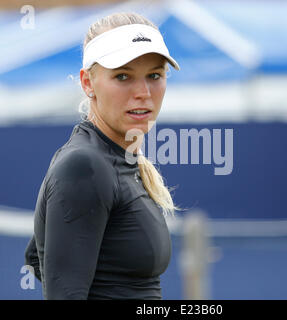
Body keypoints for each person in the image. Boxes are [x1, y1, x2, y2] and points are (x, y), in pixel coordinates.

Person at [24, 12, 181, 299]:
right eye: (123, 76)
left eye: (154, 76)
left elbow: (37, 257)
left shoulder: (116, 158)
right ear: (88, 83)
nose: (144, 92)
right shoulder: (84, 165)